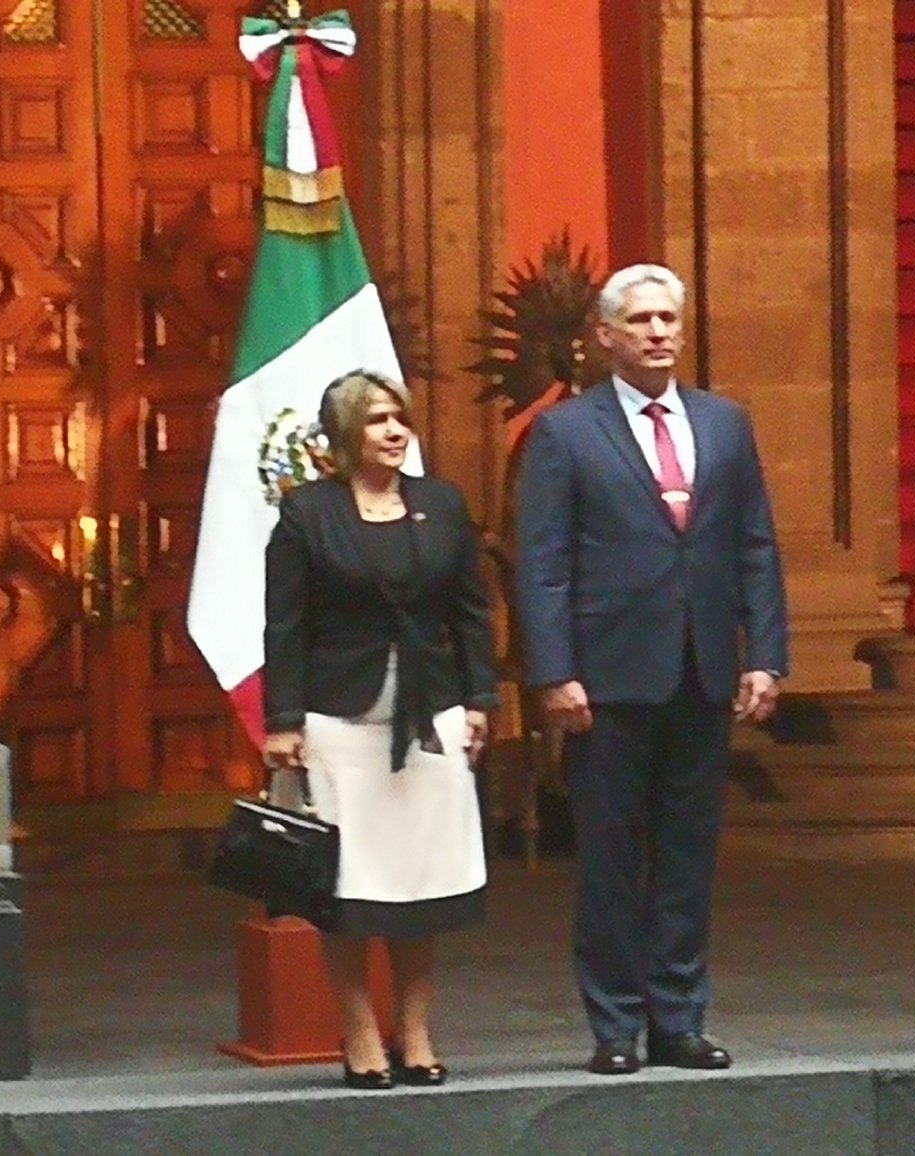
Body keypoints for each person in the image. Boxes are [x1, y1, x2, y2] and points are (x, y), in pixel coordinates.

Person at [513, 263, 789, 1076]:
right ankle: (615, 1025)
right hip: (606, 678)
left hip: (702, 670)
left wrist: (765, 655)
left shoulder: (725, 424)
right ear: (605, 335)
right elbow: (544, 563)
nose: (659, 333)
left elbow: (754, 546)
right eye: (640, 321)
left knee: (686, 855)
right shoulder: (566, 432)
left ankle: (679, 1017)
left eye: (669, 318)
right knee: (609, 857)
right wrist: (554, 671)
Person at [261, 370, 498, 1089]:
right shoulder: (308, 513)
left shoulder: (442, 505)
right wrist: (282, 721)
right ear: (343, 437)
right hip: (341, 719)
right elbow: (286, 624)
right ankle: (360, 1029)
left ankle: (416, 1029)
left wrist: (482, 699)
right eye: (376, 421)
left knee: (421, 879)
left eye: (400, 418)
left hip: (433, 716)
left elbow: (471, 614)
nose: (395, 432)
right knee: (353, 886)